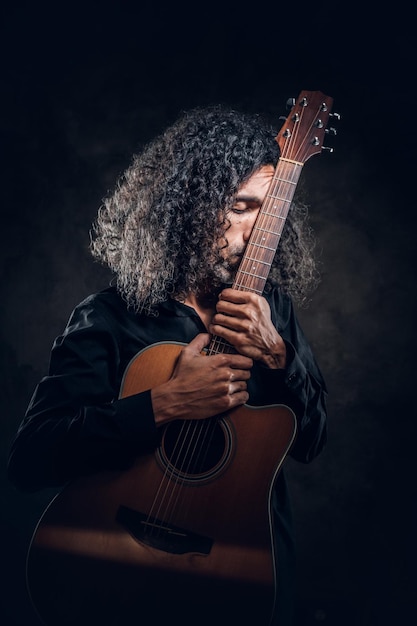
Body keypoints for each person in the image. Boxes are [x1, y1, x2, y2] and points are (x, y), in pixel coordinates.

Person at [8, 105, 327, 626]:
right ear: (187, 207)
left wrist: (278, 355)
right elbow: (30, 461)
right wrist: (164, 403)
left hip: (238, 572)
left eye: (267, 212)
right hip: (106, 562)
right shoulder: (108, 318)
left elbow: (312, 443)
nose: (253, 231)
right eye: (242, 206)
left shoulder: (274, 314)